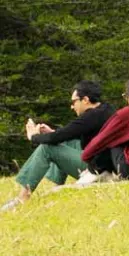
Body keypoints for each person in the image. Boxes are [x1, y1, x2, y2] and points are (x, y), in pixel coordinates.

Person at [0, 81, 115, 212]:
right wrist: (53, 132)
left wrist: (33, 137)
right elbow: (68, 134)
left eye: (74, 102)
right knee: (62, 142)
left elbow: (59, 136)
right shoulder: (106, 109)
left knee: (47, 148)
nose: (72, 106)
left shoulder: (91, 116)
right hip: (106, 161)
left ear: (85, 100)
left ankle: (22, 198)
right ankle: (55, 185)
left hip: (99, 169)